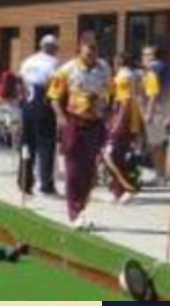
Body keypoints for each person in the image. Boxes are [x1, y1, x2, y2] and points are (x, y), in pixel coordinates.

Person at [48, 31, 112, 230]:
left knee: (89, 171)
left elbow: (109, 93)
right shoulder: (67, 70)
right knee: (74, 170)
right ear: (80, 48)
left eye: (95, 48)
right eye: (89, 47)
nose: (92, 52)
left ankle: (82, 209)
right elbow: (54, 97)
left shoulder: (104, 68)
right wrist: (60, 117)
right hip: (75, 123)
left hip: (95, 123)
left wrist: (106, 111)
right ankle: (74, 211)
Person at [19, 34, 61, 196]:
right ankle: (46, 185)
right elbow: (55, 85)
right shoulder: (54, 63)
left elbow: (21, 81)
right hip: (43, 102)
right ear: (52, 47)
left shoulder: (28, 61)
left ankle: (24, 181)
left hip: (28, 103)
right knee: (46, 145)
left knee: (27, 143)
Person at [105, 52, 145, 205]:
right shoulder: (131, 74)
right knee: (119, 154)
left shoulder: (125, 75)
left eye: (117, 59)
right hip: (124, 115)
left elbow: (128, 100)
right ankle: (118, 190)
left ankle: (125, 188)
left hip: (123, 115)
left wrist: (117, 122)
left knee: (111, 153)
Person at [141, 44, 170, 185]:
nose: (144, 58)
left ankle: (160, 176)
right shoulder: (165, 68)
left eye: (147, 55)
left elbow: (154, 94)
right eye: (144, 55)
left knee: (156, 145)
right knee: (160, 144)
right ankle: (162, 174)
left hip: (156, 111)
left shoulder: (154, 69)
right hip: (165, 109)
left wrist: (148, 112)